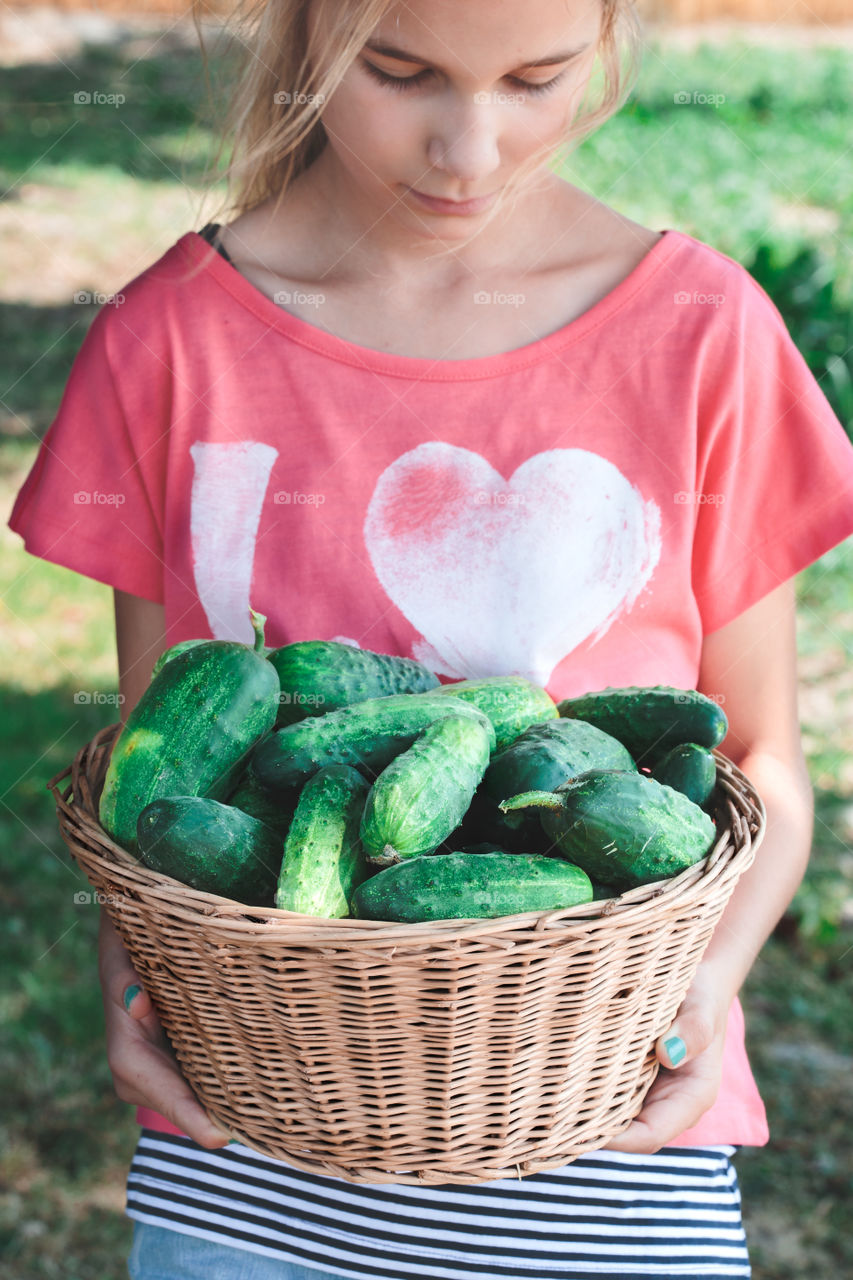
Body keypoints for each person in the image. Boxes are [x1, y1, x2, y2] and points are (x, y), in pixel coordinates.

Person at [9, 0, 853, 1275]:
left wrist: (706, 982)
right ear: (302, 33)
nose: (469, 148)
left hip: (610, 1162)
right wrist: (132, 976)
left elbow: (763, 761)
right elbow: (161, 772)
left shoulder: (702, 337)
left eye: (536, 77)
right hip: (250, 1174)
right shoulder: (172, 339)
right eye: (398, 71)